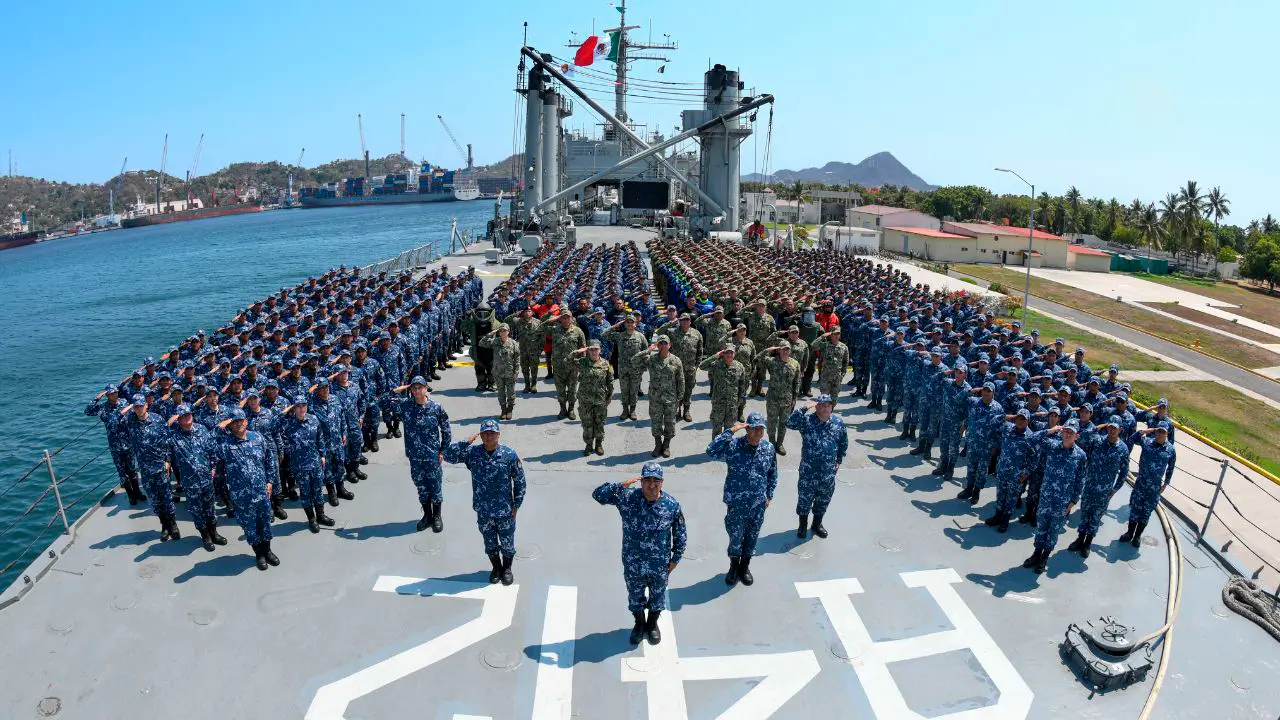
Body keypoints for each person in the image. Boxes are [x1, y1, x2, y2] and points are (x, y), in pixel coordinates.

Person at [592, 461, 687, 645]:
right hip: (633, 562)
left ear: (662, 482)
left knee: (657, 596)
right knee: (635, 596)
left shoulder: (671, 505)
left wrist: (675, 559)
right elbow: (598, 495)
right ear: (641, 481)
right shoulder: (627, 498)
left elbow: (680, 533)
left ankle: (652, 624)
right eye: (647, 480)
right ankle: (639, 624)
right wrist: (620, 486)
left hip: (659, 565)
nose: (652, 485)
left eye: (656, 480)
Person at [442, 419, 527, 585]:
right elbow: (448, 455)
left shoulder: (509, 454)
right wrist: (465, 443)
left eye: (492, 433)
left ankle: (507, 569)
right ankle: (496, 568)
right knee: (490, 542)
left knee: (507, 542)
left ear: (498, 435)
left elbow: (520, 480)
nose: (489, 436)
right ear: (480, 435)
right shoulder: (472, 453)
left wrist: (517, 505)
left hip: (505, 510)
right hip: (484, 510)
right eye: (485, 433)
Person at [706, 412, 777, 587]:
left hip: (758, 504)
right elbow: (711, 451)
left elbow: (772, 473)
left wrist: (769, 495)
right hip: (736, 503)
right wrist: (730, 431)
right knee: (736, 538)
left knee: (752, 537)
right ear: (747, 429)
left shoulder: (768, 448)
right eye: (754, 429)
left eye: (761, 429)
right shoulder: (734, 446)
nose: (758, 433)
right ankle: (733, 567)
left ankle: (745, 567)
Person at [217, 408, 279, 570]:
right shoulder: (225, 444)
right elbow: (208, 447)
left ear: (246, 421)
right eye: (234, 421)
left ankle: (268, 551)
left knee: (265, 523)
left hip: (262, 491)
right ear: (230, 425)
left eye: (241, 420)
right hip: (242, 496)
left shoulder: (257, 437)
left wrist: (270, 481)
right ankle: (259, 555)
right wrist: (219, 428)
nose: (238, 424)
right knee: (250, 527)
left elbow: (269, 460)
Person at [1023, 420, 1087, 574]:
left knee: (1053, 530)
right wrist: (1049, 430)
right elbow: (1030, 439)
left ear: (1076, 436)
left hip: (1062, 501)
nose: (1067, 434)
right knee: (1041, 527)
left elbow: (1080, 479)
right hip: (1046, 497)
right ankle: (1036, 553)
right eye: (1065, 431)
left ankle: (1045, 557)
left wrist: (1073, 501)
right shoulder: (1052, 446)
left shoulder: (1080, 455)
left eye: (1071, 432)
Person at [786, 395, 848, 539]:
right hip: (809, 471)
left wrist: (839, 459)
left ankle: (817, 524)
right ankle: (802, 526)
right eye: (823, 405)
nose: (826, 408)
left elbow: (843, 442)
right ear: (817, 407)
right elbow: (789, 423)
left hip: (827, 473)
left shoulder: (838, 422)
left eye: (829, 405)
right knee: (804, 500)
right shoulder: (807, 421)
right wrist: (804, 408)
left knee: (823, 499)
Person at [167, 403, 226, 551]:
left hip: (206, 479)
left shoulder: (202, 429)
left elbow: (211, 450)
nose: (186, 417)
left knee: (210, 508)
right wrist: (170, 421)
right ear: (178, 419)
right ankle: (205, 537)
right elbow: (156, 432)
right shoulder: (173, 437)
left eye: (188, 414)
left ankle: (214, 533)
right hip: (190, 482)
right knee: (197, 510)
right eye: (182, 416)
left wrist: (213, 468)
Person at [399, 376, 452, 532]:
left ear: (426, 388)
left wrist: (443, 450)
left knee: (435, 487)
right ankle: (427, 516)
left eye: (419, 387)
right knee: (421, 487)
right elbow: (382, 403)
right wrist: (398, 389)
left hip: (431, 456)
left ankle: (437, 517)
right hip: (415, 457)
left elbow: (446, 429)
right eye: (413, 388)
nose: (416, 391)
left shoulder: (436, 407)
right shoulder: (406, 406)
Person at [1069, 421, 1130, 557]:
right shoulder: (1098, 441)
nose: (1112, 430)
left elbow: (1124, 472)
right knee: (1085, 514)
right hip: (1090, 486)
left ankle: (1088, 543)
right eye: (1110, 427)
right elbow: (1084, 436)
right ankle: (1080, 539)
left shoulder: (1123, 449)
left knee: (1095, 517)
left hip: (1105, 491)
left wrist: (1114, 490)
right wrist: (1099, 426)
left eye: (1115, 428)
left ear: (1120, 429)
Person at [123, 394, 179, 540]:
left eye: (141, 405)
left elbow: (167, 441)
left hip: (160, 466)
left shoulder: (157, 419)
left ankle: (173, 524)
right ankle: (164, 525)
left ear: (146, 405)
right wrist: (130, 407)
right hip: (145, 469)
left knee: (166, 497)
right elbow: (115, 419)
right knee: (155, 500)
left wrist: (168, 460)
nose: (139, 409)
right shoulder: (130, 420)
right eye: (136, 406)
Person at [276, 395, 334, 533]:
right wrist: (284, 413)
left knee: (318, 490)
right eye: (298, 406)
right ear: (294, 408)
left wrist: (322, 454)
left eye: (304, 405)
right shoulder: (288, 424)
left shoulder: (313, 419)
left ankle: (320, 515)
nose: (302, 409)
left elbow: (320, 437)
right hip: (300, 466)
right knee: (306, 493)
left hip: (315, 462)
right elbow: (272, 427)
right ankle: (311, 519)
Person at [84, 384, 145, 505]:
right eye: (111, 393)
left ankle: (138, 492)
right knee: (122, 472)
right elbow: (88, 411)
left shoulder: (124, 403)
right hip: (115, 445)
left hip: (128, 442)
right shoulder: (103, 407)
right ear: (107, 395)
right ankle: (131, 496)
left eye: (116, 392)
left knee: (132, 469)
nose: (115, 395)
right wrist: (97, 398)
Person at [1122, 425, 1177, 549]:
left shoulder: (1170, 449)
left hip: (1154, 487)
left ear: (1167, 434)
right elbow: (1132, 439)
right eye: (1158, 431)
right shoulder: (1147, 442)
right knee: (1135, 509)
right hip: (1141, 483)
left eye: (1163, 432)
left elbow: (1171, 467)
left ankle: (1137, 536)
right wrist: (1149, 430)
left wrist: (1166, 483)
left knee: (1146, 512)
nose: (1160, 434)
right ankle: (1130, 533)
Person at [632, 335, 685, 458]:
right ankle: (657, 444)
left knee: (670, 423)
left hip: (671, 398)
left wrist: (679, 398)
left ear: (669, 345)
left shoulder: (676, 360)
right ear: (657, 345)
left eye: (665, 343)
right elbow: (634, 360)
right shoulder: (651, 359)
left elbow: (681, 380)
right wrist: (648, 350)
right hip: (655, 397)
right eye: (660, 344)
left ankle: (666, 445)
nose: (663, 346)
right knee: (655, 422)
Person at [755, 343, 801, 455]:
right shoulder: (772, 361)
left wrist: (794, 398)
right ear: (779, 350)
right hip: (773, 399)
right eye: (782, 349)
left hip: (787, 400)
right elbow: (756, 360)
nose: (785, 351)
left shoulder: (795, 364)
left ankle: (779, 444)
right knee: (771, 423)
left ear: (790, 351)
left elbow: (797, 382)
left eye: (787, 349)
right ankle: (771, 443)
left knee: (783, 424)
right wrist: (768, 350)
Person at [571, 340, 615, 456]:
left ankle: (599, 444)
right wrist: (579, 351)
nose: (594, 352)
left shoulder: (606, 364)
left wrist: (610, 396)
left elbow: (610, 382)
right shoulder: (582, 362)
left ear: (600, 350)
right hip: (585, 400)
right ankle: (589, 445)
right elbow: (568, 359)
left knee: (599, 423)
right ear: (588, 351)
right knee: (587, 424)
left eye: (596, 349)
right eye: (591, 349)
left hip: (600, 400)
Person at [603, 314, 649, 421]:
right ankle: (624, 410)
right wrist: (615, 325)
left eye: (631, 322)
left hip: (636, 369)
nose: (629, 324)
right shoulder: (619, 336)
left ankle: (632, 410)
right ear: (625, 324)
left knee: (633, 391)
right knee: (624, 391)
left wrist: (643, 366)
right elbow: (604, 334)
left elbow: (645, 351)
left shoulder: (640, 336)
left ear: (635, 324)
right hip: (623, 369)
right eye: (627, 322)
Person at [699, 347, 748, 437]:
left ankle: (726, 449)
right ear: (723, 354)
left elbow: (742, 385)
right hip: (718, 403)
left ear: (734, 354)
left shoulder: (739, 367)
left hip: (732, 404)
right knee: (716, 429)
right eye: (726, 352)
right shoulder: (716, 364)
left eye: (731, 352)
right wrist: (715, 356)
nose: (729, 355)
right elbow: (702, 366)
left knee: (729, 431)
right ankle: (715, 450)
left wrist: (740, 401)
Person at [548, 311, 587, 420]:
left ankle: (571, 409)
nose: (565, 320)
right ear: (560, 319)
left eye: (567, 318)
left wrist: (582, 364)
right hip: (558, 366)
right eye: (563, 318)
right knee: (560, 390)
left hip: (573, 366)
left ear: (571, 319)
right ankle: (562, 409)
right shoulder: (555, 329)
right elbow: (542, 326)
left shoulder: (578, 331)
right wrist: (553, 318)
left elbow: (583, 348)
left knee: (572, 390)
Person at [480, 323, 521, 420]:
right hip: (498, 372)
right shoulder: (495, 341)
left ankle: (510, 409)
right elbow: (482, 342)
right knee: (501, 392)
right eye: (501, 331)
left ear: (508, 332)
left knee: (511, 393)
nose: (503, 333)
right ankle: (503, 410)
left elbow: (517, 358)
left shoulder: (513, 343)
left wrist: (516, 372)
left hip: (510, 372)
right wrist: (492, 332)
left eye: (504, 331)